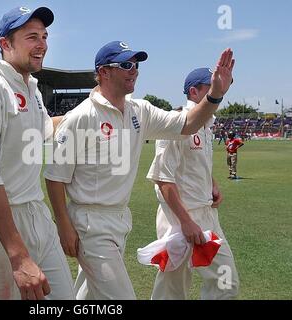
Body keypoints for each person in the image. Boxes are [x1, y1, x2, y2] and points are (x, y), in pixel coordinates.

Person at [44, 41, 235, 300]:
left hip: (119, 219)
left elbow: (188, 124)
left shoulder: (140, 110)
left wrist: (215, 95)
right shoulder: (81, 117)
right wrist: (63, 225)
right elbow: (55, 177)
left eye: (135, 65)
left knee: (90, 296)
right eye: (125, 65)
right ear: (103, 72)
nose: (133, 70)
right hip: (90, 222)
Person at [0, 6, 74, 300]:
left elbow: (45, 128)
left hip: (37, 213)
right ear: (5, 43)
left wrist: (88, 112)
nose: (42, 44)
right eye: (32, 37)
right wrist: (19, 256)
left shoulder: (31, 89)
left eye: (45, 36)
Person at [146, 67, 239, 300]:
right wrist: (186, 222)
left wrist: (212, 183)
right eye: (212, 86)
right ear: (194, 91)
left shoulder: (207, 124)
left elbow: (194, 164)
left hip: (207, 215)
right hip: (178, 219)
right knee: (173, 289)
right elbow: (162, 177)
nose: (219, 92)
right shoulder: (176, 123)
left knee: (226, 282)